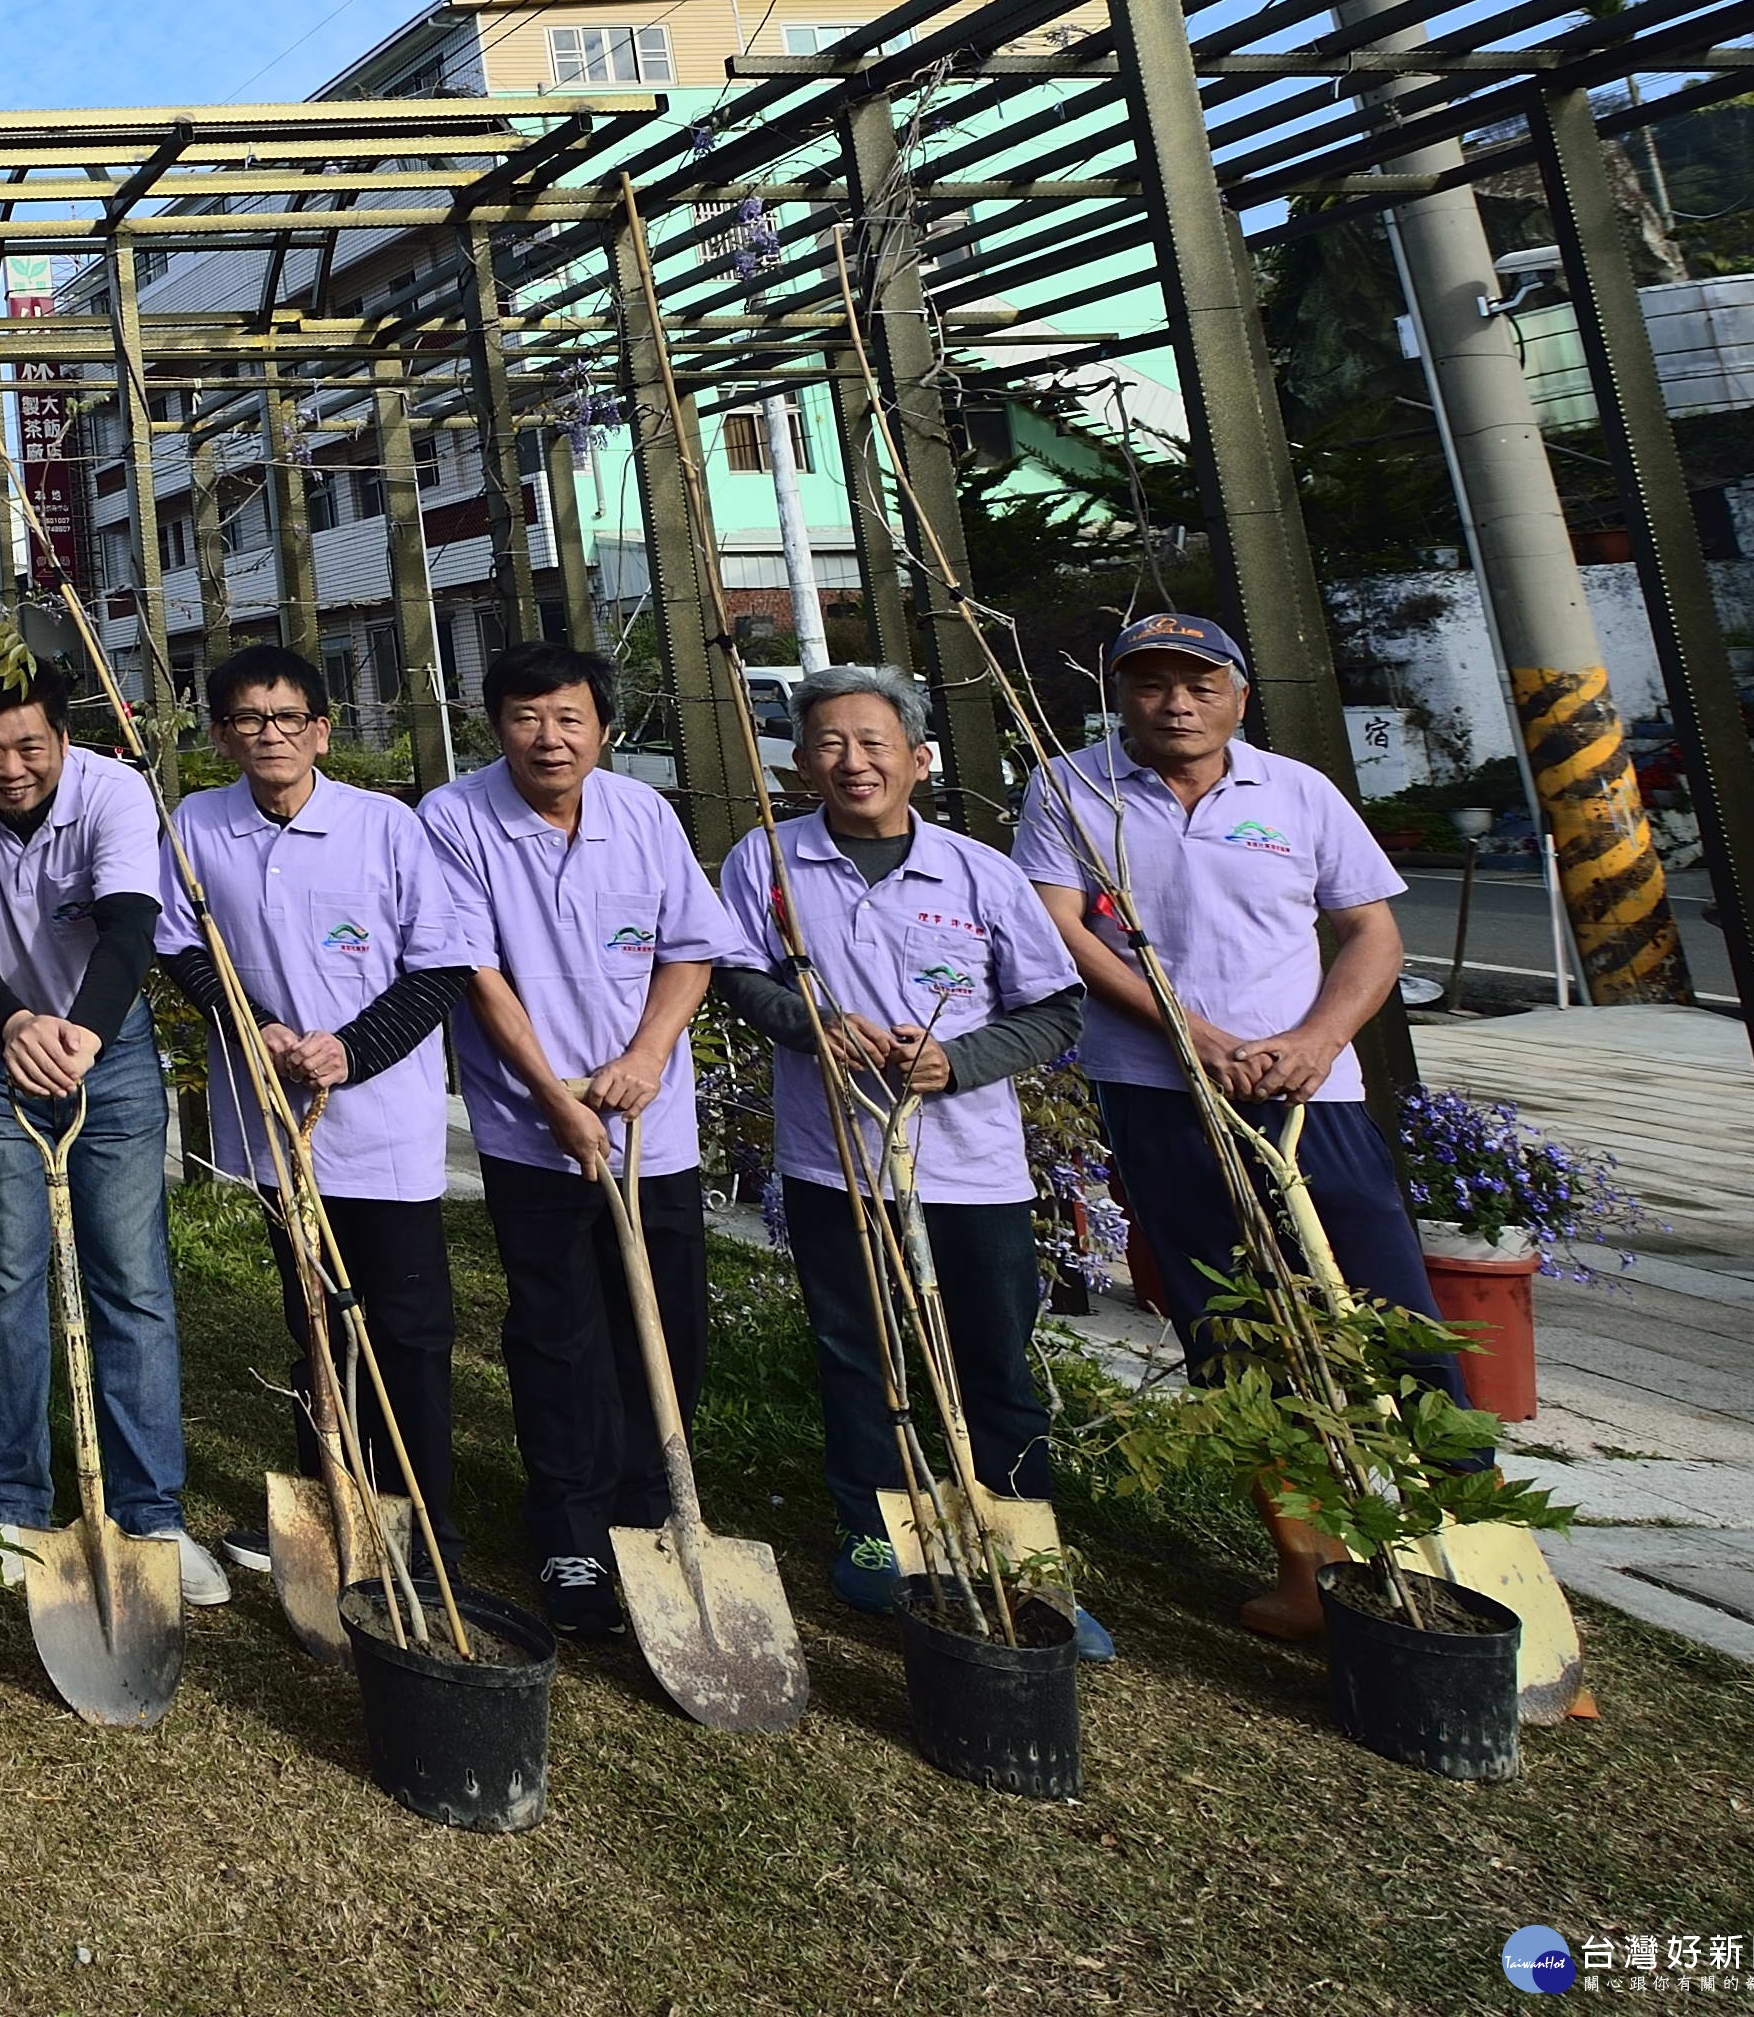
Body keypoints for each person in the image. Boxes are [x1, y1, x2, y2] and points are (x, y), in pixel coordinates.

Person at [1011, 608, 1432, 1639]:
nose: (1175, 700)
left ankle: (1453, 1540)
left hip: (1306, 1096)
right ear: (1118, 692)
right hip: (1159, 1090)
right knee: (1225, 1327)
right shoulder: (1072, 788)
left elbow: (1369, 929)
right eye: (1151, 681)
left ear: (1237, 694)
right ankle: (1303, 1564)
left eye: (1198, 682)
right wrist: (1187, 1034)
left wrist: (1318, 1038)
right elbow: (1059, 926)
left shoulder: (1295, 791)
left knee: (1385, 1313)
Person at [711, 666, 1098, 1645]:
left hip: (969, 1167)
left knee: (992, 1363)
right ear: (799, 763)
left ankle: (1022, 1559)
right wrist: (809, 1024)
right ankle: (877, 1535)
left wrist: (957, 1059)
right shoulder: (765, 860)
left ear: (917, 759)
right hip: (833, 1162)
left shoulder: (981, 873)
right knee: (858, 1356)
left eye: (874, 742)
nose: (853, 761)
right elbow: (735, 979)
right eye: (830, 743)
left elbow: (1052, 1007)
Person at [419, 640, 735, 1644]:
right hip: (533, 1128)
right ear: (494, 724)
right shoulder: (455, 818)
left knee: (662, 1324)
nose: (546, 737)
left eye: (566, 717)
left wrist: (644, 1056)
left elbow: (690, 947)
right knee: (557, 1331)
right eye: (523, 716)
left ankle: (654, 1511)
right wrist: (551, 1097)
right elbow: (475, 973)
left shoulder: (641, 812)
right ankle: (566, 1527)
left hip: (653, 1128)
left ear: (601, 725)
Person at [0, 651, 224, 1605]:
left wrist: (80, 1031)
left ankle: (151, 1515)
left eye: (29, 746)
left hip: (104, 1044)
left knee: (130, 1273)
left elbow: (130, 927)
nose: (8, 768)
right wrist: (13, 1025)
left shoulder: (114, 791)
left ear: (63, 739)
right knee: (2, 1270)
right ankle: (12, 1505)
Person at [159, 642, 487, 1570]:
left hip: (381, 1119)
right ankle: (330, 1505)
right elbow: (184, 947)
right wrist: (256, 1025)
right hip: (273, 1117)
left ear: (322, 731)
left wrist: (352, 1050)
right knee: (312, 1317)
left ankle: (424, 1524)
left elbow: (442, 962)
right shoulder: (197, 823)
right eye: (249, 720)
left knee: (408, 1326)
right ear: (223, 736)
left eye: (289, 718)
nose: (271, 735)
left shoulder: (385, 826)